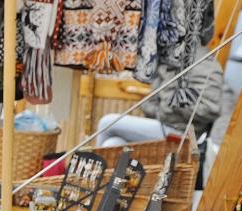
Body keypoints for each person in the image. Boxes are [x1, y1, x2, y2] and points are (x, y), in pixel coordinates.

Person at [96, 48, 233, 147]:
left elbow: (209, 108)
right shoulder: (169, 58)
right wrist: (159, 109)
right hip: (163, 124)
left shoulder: (202, 61)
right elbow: (153, 102)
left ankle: (90, 174)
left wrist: (173, 101)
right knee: (113, 144)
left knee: (107, 123)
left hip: (181, 134)